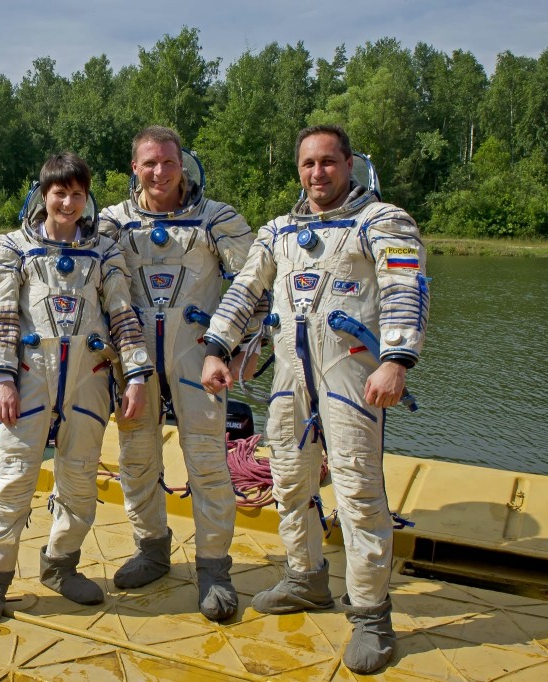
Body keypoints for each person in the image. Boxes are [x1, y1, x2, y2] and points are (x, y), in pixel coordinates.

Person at [200, 124, 429, 674]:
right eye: (308, 163)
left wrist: (397, 361)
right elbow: (245, 289)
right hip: (290, 377)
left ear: (350, 164)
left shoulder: (383, 221)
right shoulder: (279, 231)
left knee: (356, 488)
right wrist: (217, 346)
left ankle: (372, 614)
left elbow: (405, 288)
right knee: (288, 478)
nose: (317, 173)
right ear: (298, 169)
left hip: (354, 376)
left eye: (328, 162)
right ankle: (305, 577)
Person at [0, 152, 152, 622]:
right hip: (28, 380)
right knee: (12, 480)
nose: (68, 202)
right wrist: (3, 379)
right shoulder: (12, 248)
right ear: (43, 195)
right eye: (59, 193)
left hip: (88, 380)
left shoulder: (105, 250)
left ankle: (61, 565)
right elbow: (1, 317)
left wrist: (135, 374)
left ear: (87, 198)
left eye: (77, 194)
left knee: (79, 480)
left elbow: (122, 315)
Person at [98, 126, 257, 622]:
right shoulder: (110, 224)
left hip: (199, 357)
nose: (160, 172)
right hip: (134, 359)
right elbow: (88, 288)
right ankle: (152, 548)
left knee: (208, 462)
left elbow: (255, 285)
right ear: (134, 168)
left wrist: (239, 351)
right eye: (150, 163)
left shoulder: (217, 220)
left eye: (168, 162)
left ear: (182, 163)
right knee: (136, 458)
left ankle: (214, 568)